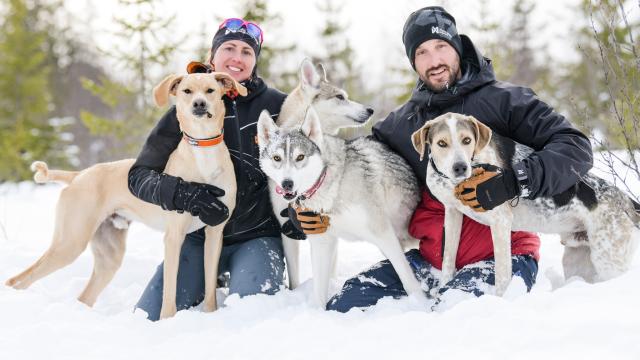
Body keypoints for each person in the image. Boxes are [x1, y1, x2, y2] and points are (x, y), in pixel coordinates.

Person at [323, 6, 593, 312]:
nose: (434, 61)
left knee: (454, 316)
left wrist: (514, 180)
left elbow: (575, 147)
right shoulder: (404, 124)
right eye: (422, 52)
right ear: (413, 61)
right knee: (347, 305)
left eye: (441, 47)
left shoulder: (506, 101)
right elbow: (353, 166)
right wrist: (306, 205)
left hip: (503, 256)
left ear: (457, 47)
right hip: (432, 261)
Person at [128, 18, 287, 321]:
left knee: (251, 315)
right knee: (147, 319)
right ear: (213, 55)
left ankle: (237, 274)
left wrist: (296, 212)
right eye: (229, 48)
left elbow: (306, 162)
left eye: (246, 52)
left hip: (255, 236)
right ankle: (202, 277)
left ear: (255, 61)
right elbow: (139, 177)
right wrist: (183, 194)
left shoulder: (277, 105)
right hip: (196, 238)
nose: (237, 58)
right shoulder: (186, 104)